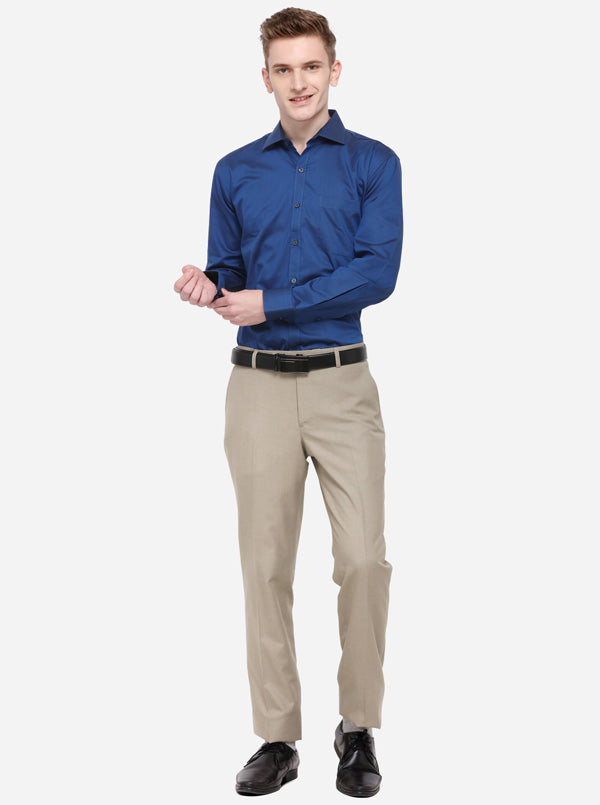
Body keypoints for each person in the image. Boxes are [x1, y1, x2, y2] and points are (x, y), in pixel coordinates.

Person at [173, 7, 403, 797]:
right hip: (257, 385)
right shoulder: (235, 170)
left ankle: (358, 726)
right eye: (283, 69)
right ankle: (277, 736)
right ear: (265, 77)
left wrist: (273, 301)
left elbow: (376, 272)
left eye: (311, 66)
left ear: (334, 71)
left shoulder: (374, 164)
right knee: (264, 564)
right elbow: (231, 272)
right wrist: (209, 284)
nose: (298, 83)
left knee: (364, 558)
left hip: (343, 383)